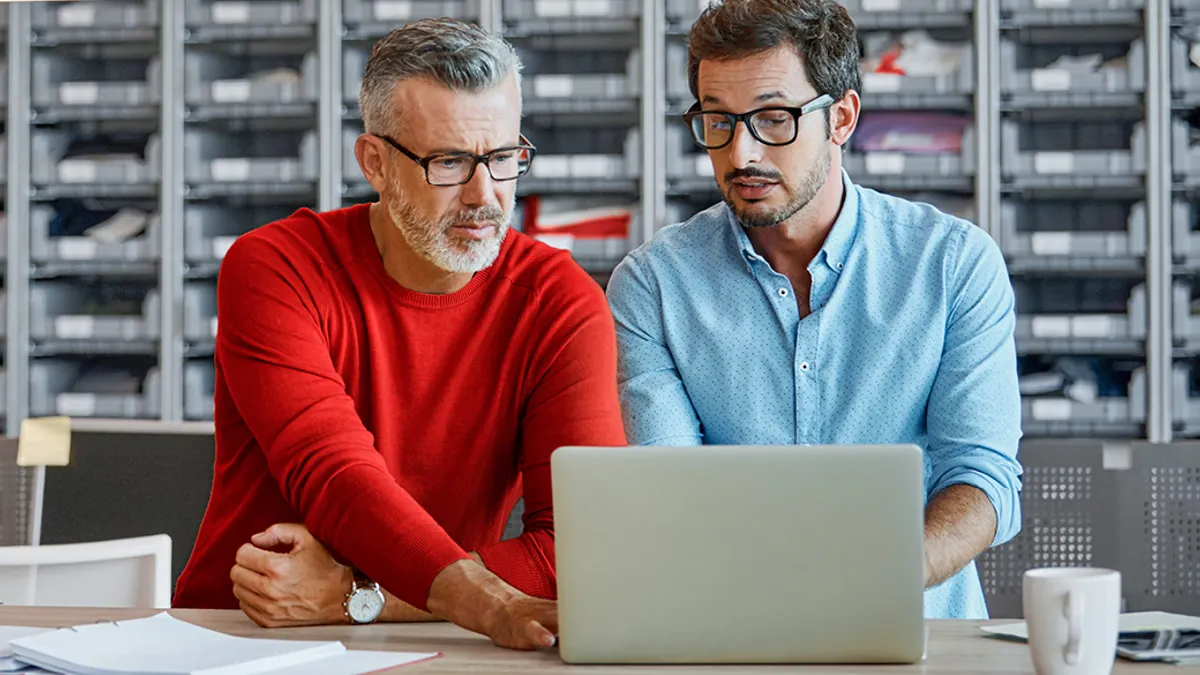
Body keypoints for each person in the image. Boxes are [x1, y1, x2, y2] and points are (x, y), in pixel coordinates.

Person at [172, 18, 627, 649]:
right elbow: (335, 474)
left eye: (502, 159)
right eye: (449, 162)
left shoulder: (559, 302)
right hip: (242, 635)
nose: (485, 194)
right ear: (375, 163)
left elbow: (580, 547)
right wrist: (486, 601)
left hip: (442, 642)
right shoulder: (275, 267)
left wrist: (362, 599)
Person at [605, 0, 1022, 619]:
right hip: (731, 633)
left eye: (773, 119)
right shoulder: (654, 284)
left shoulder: (952, 263)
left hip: (917, 625)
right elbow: (669, 490)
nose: (741, 152)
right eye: (717, 121)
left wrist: (879, 580)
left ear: (843, 117)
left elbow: (983, 477)